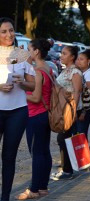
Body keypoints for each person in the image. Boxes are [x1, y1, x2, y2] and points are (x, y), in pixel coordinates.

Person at [0, 17, 35, 201]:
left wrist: (22, 82)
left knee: (9, 156)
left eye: (11, 30)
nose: (9, 34)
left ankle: (4, 196)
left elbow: (33, 85)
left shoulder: (21, 55)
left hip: (18, 111)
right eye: (4, 31)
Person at [15, 38, 53, 200]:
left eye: (30, 49)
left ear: (36, 51)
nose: (28, 52)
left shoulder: (38, 71)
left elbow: (36, 97)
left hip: (36, 115)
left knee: (36, 153)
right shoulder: (48, 68)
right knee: (44, 151)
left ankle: (34, 189)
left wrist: (21, 94)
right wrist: (23, 83)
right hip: (45, 115)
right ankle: (43, 187)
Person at [50, 45, 82, 180]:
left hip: (69, 110)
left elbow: (76, 92)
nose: (61, 56)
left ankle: (67, 170)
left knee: (64, 139)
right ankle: (68, 169)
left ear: (72, 57)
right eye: (61, 53)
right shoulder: (65, 71)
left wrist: (73, 112)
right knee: (64, 139)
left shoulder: (75, 72)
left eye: (64, 53)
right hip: (63, 109)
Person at [75, 49, 90, 138]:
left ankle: (84, 152)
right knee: (76, 135)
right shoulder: (80, 72)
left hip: (85, 109)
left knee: (81, 136)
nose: (78, 61)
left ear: (88, 61)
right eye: (77, 59)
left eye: (81, 59)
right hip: (78, 108)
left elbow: (89, 94)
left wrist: (83, 113)